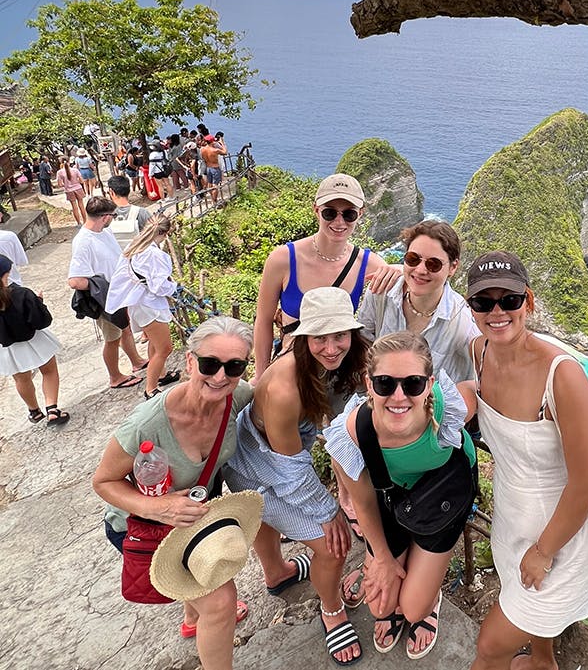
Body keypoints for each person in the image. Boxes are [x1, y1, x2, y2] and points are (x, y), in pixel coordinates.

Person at [462, 251, 588, 670]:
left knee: (490, 648)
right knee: (534, 629)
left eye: (509, 299)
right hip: (510, 520)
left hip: (560, 538)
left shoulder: (562, 375)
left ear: (530, 301)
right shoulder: (479, 353)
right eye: (483, 302)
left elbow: (586, 484)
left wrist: (545, 551)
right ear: (471, 309)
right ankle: (544, 662)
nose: (497, 311)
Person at [92, 316, 254, 670]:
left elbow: (274, 392)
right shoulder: (147, 423)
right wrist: (159, 507)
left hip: (189, 521)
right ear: (190, 360)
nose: (221, 376)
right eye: (210, 364)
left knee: (203, 585)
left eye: (234, 366)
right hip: (140, 524)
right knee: (222, 602)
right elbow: (103, 481)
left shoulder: (236, 397)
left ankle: (193, 618)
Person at [225, 287, 368, 666]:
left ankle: (277, 574)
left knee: (268, 521)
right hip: (251, 463)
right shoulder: (286, 386)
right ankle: (332, 608)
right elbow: (290, 471)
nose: (332, 347)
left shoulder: (342, 361)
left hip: (274, 452)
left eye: (340, 335)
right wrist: (329, 511)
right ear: (304, 338)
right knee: (331, 545)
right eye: (320, 337)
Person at [324, 331, 478, 660]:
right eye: (385, 384)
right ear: (368, 384)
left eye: (412, 384)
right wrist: (381, 558)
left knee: (411, 609)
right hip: (392, 493)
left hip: (445, 490)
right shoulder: (355, 431)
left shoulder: (444, 410)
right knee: (381, 607)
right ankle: (406, 556)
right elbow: (364, 503)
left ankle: (428, 593)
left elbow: (473, 392)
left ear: (429, 384)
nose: (398, 396)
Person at [252, 173, 399, 379]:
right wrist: (261, 374)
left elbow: (414, 288)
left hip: (340, 367)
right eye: (330, 213)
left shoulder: (368, 263)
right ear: (316, 210)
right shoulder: (283, 259)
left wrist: (401, 269)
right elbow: (264, 321)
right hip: (294, 368)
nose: (339, 222)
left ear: (360, 214)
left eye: (349, 214)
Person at [358, 220, 479, 383]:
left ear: (453, 267)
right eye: (413, 259)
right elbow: (362, 345)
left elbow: (476, 379)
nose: (421, 270)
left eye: (433, 264)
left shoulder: (463, 322)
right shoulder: (381, 293)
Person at [68, 197, 147, 389]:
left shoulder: (104, 232)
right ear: (104, 217)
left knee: (125, 329)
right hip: (104, 297)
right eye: (112, 215)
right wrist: (101, 286)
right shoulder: (83, 242)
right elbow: (75, 281)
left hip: (118, 292)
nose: (113, 218)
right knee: (112, 338)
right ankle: (115, 376)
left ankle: (136, 361)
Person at [106, 214, 180, 399]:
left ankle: (160, 375)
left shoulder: (135, 246)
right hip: (150, 305)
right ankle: (151, 389)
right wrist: (174, 286)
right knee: (165, 348)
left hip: (138, 302)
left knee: (155, 345)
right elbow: (158, 286)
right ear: (165, 233)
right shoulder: (155, 254)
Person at [0, 254, 69, 425]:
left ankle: (34, 411)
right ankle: (52, 409)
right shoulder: (22, 294)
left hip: (8, 347)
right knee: (49, 371)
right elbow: (42, 321)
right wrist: (39, 303)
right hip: (35, 340)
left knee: (21, 379)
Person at [106, 174, 152, 248]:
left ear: (112, 192)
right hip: (139, 255)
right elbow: (153, 235)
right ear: (129, 191)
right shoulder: (142, 213)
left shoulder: (104, 216)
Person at [56, 156, 86, 225]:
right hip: (78, 188)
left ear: (61, 163)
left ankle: (78, 223)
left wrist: (66, 185)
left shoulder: (59, 172)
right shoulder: (75, 170)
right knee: (81, 205)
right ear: (69, 161)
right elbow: (81, 181)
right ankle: (85, 220)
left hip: (69, 190)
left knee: (74, 207)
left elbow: (60, 185)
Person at [200, 134, 227, 205]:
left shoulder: (202, 149)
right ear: (212, 142)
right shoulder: (215, 150)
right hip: (215, 168)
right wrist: (222, 143)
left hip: (208, 168)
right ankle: (215, 201)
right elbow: (225, 152)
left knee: (210, 183)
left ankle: (212, 198)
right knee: (215, 185)